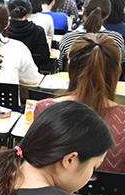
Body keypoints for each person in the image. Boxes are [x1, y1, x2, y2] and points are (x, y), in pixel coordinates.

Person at [36, 35, 125, 173]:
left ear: (70, 68)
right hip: (113, 187)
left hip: (56, 186)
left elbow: (37, 164)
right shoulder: (122, 117)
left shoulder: (45, 108)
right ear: (117, 71)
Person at [58, 0, 125, 70]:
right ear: (107, 16)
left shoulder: (67, 39)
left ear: (83, 11)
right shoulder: (116, 40)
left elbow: (61, 67)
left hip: (75, 78)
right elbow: (121, 66)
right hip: (108, 78)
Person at [2, 0, 50, 69]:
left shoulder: (3, 29)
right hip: (31, 72)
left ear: (8, 11)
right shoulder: (38, 31)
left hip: (5, 71)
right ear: (29, 11)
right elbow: (44, 58)